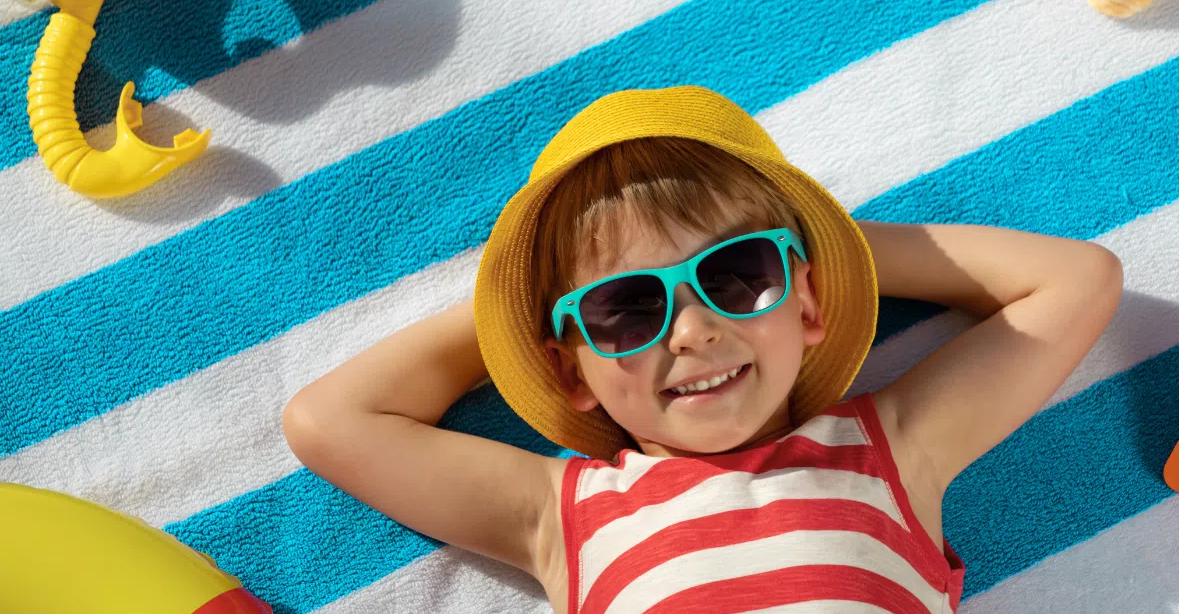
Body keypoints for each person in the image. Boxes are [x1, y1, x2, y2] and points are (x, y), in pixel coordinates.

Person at [283, 85, 1122, 613]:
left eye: (737, 272)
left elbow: (1078, 279)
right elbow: (330, 418)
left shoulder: (893, 448)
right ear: (569, 368)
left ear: (809, 301)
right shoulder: (563, 513)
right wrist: (517, 307)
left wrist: (820, 249)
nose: (691, 329)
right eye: (624, 308)